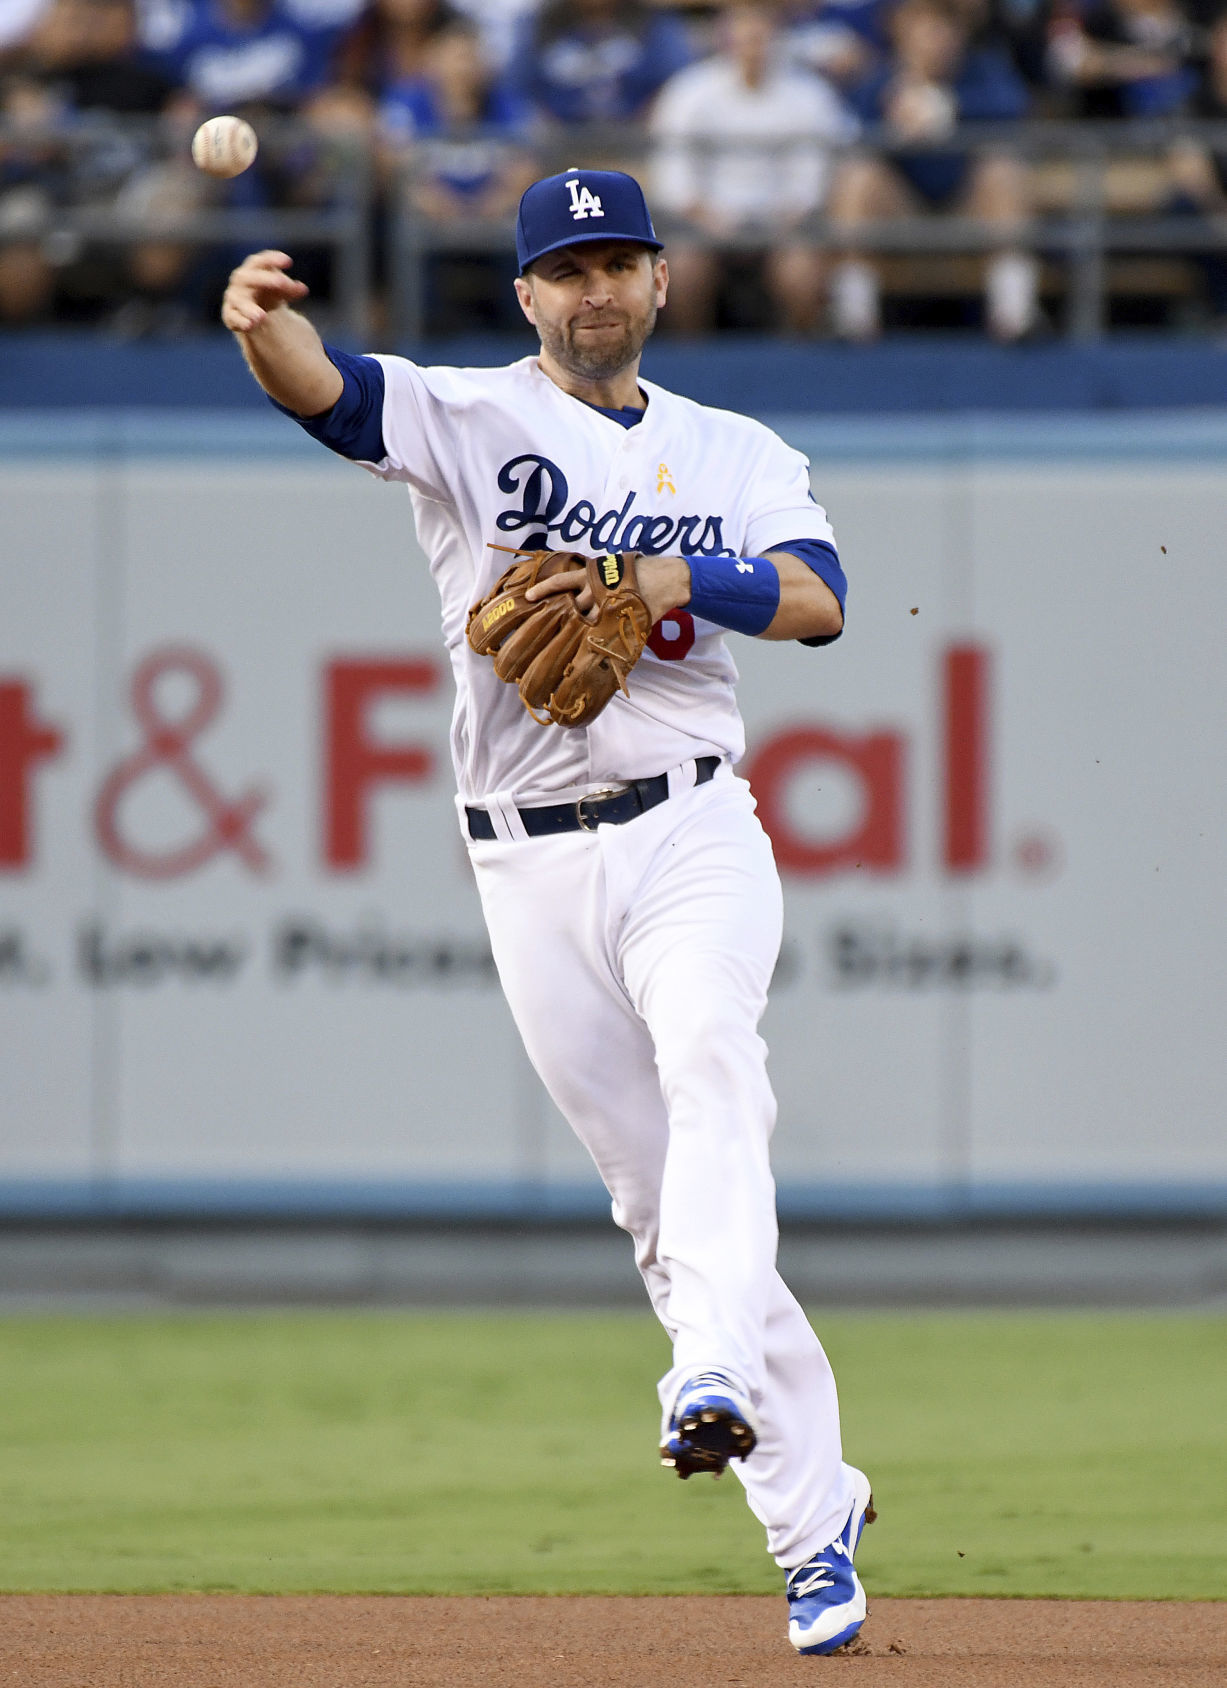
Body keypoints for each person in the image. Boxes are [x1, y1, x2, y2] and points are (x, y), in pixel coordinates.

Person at [219, 166, 873, 1657]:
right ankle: (817, 1502)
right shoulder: (472, 417)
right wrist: (256, 323)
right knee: (660, 1210)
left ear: (657, 284)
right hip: (523, 859)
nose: (592, 290)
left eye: (616, 263)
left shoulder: (735, 448)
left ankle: (725, 1422)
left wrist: (670, 574)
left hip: (692, 822)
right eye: (563, 268)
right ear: (525, 295)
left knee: (713, 1058)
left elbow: (818, 596)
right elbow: (324, 392)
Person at [827, 0, 1036, 339]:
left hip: (968, 213)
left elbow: (1014, 106)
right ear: (903, 35)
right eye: (922, 29)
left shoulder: (982, 73)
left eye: (943, 29)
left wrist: (950, 106)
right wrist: (892, 119)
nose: (934, 40)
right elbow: (848, 126)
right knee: (859, 174)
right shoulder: (880, 80)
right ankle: (853, 315)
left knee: (1002, 168)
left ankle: (1015, 313)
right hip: (900, 214)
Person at [650, 0, 856, 335]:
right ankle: (691, 367)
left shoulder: (810, 95)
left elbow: (810, 186)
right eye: (743, 32)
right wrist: (716, 224)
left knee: (802, 271)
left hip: (785, 228)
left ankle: (798, 363)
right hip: (706, 227)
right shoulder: (689, 92)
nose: (752, 42)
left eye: (761, 32)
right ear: (725, 36)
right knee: (682, 270)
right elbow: (676, 183)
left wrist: (777, 227)